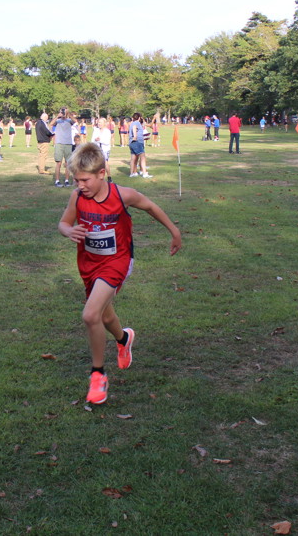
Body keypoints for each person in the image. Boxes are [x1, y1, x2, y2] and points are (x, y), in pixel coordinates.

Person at [58, 142, 182, 405]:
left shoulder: (123, 195)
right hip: (88, 263)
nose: (80, 185)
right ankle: (124, 338)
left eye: (85, 180)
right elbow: (64, 222)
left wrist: (174, 231)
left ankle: (98, 375)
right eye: (77, 180)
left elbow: (150, 206)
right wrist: (68, 231)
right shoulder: (77, 197)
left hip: (118, 261)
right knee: (103, 315)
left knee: (90, 314)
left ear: (102, 173)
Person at [52, 109, 75, 186]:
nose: (63, 113)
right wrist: (57, 116)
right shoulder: (58, 121)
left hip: (68, 143)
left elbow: (75, 121)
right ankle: (57, 181)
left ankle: (66, 180)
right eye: (62, 112)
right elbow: (51, 124)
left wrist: (69, 114)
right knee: (58, 163)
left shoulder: (69, 120)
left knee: (67, 163)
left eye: (64, 112)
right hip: (59, 143)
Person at [128, 112, 152, 178]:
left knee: (133, 158)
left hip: (132, 143)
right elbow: (134, 128)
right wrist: (135, 136)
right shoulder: (137, 123)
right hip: (137, 142)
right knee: (142, 157)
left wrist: (144, 137)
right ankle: (144, 173)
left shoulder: (131, 123)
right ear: (139, 118)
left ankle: (132, 173)